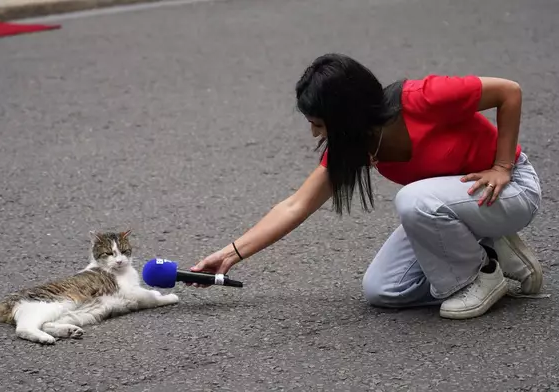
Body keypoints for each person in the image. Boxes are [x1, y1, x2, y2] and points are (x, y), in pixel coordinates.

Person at [189, 53, 543, 320]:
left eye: (318, 123)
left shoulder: (423, 97)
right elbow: (295, 205)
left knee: (413, 200)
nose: (315, 133)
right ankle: (490, 247)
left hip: (510, 189)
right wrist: (230, 254)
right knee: (383, 290)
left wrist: (502, 165)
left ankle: (482, 275)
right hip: (454, 207)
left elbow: (508, 92)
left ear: (347, 115)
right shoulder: (354, 145)